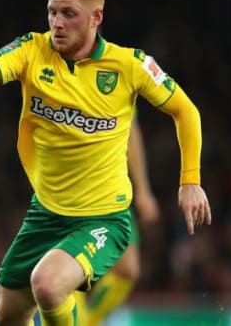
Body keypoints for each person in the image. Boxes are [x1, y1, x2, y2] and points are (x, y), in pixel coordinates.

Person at [0, 0, 211, 326]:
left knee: (48, 284)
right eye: (52, 12)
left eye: (69, 13)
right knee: (7, 315)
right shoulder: (33, 49)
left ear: (96, 18)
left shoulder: (130, 65)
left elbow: (186, 111)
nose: (57, 22)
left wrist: (190, 180)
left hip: (104, 218)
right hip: (45, 214)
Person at [74, 116, 160, 326]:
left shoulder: (124, 84)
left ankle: (88, 323)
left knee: (128, 269)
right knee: (72, 269)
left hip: (111, 186)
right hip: (73, 183)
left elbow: (131, 131)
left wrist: (143, 190)